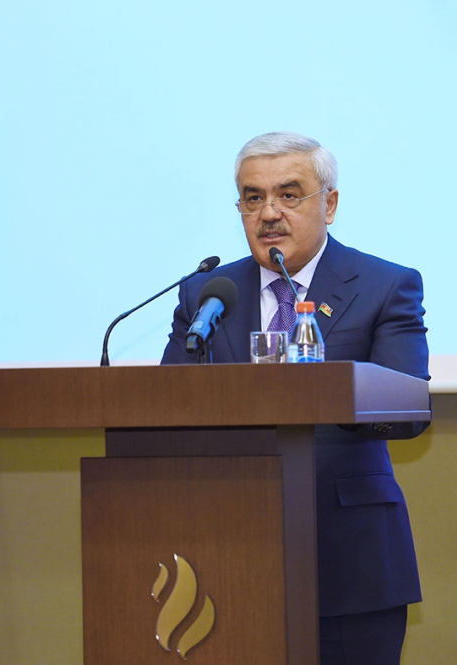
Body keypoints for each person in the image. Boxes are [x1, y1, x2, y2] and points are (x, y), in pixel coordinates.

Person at [161, 131, 430, 665]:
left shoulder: (385, 285)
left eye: (288, 194)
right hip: (224, 557)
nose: (269, 213)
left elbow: (408, 409)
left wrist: (321, 392)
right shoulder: (207, 295)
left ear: (328, 204)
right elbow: (166, 404)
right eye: (253, 197)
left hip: (350, 559)